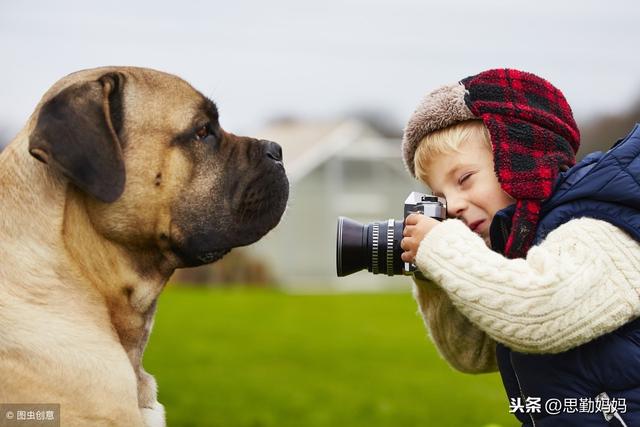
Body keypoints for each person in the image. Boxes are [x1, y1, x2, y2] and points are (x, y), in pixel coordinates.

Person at [399, 68, 640, 426]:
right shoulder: (526, 243)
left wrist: (443, 247)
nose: (454, 205)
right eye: (440, 197)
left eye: (464, 179)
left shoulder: (598, 227)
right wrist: (435, 276)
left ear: (520, 155)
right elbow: (473, 354)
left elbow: (538, 311)